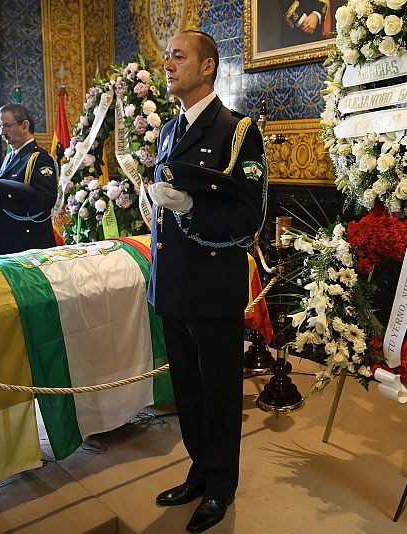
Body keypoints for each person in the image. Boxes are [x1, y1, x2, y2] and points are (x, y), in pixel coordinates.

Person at [147, 30, 266, 533]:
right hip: (173, 282)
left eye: (179, 56)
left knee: (218, 393)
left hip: (212, 283)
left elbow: (250, 215)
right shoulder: (169, 131)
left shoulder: (237, 131)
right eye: (166, 57)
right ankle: (200, 469)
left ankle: (220, 487)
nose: (168, 65)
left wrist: (193, 208)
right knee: (188, 391)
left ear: (208, 66)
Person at [0, 103, 57, 254]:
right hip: (6, 242)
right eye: (0, 127)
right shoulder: (10, 157)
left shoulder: (39, 159)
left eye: (7, 126)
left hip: (26, 245)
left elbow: (45, 200)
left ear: (25, 126)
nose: (2, 132)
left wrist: (3, 200)